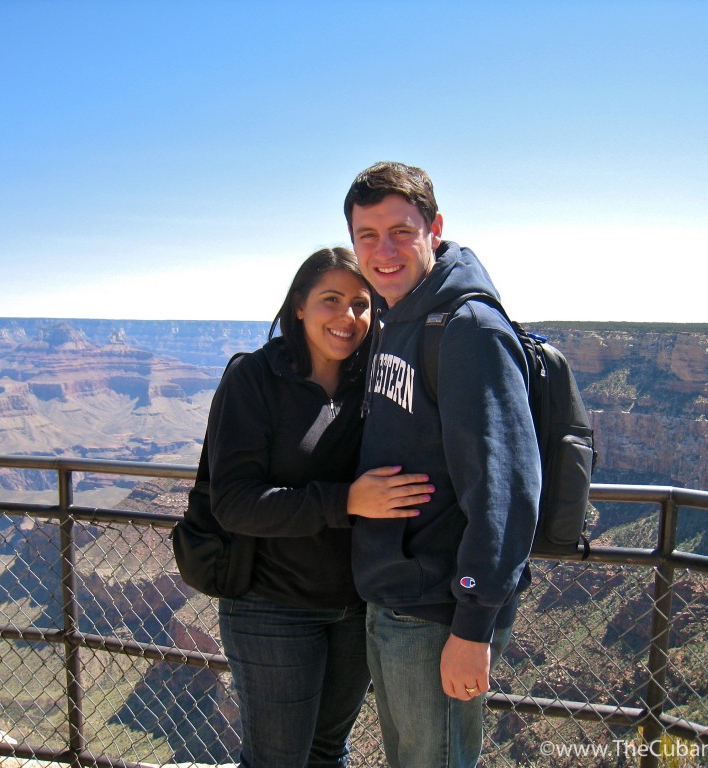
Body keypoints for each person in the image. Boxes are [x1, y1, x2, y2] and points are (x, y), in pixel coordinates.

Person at [343, 162, 542, 767]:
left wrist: (473, 627)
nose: (384, 251)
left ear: (434, 228)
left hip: (440, 613)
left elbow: (506, 490)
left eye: (401, 231)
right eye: (367, 236)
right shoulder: (394, 318)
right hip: (396, 598)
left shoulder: (467, 329)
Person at [206, 246, 433, 768]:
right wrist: (346, 501)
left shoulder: (377, 379)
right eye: (331, 300)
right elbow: (234, 503)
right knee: (277, 760)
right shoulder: (254, 380)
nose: (347, 317)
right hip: (272, 607)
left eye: (361, 303)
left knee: (330, 752)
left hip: (357, 606)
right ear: (300, 306)